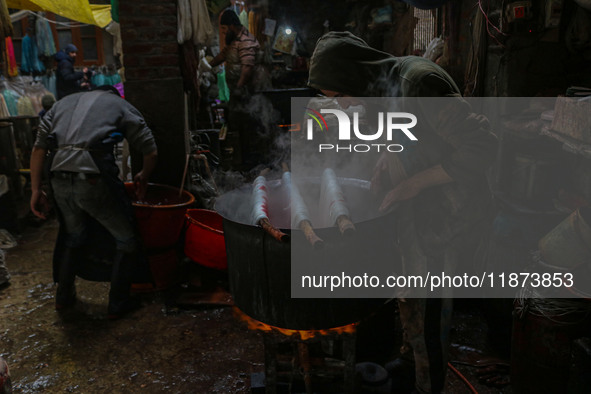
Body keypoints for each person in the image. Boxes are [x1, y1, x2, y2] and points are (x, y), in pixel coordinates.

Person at [308, 31, 498, 393]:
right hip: (421, 206)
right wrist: (388, 159)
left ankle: (428, 383)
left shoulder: (420, 84)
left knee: (427, 305)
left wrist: (415, 183)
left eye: (340, 96)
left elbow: (482, 146)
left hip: (449, 210)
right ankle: (411, 362)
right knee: (408, 289)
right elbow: (416, 138)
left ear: (354, 76)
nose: (344, 106)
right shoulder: (382, 89)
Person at [29, 85, 158, 319]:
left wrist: (36, 189)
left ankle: (63, 298)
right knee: (126, 239)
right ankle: (118, 302)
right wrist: (144, 176)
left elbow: (39, 148)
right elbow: (151, 151)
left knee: (74, 236)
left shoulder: (61, 103)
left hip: (57, 178)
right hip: (91, 179)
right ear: (112, 94)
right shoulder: (121, 104)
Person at [209, 9, 271, 168]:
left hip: (247, 94)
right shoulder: (234, 42)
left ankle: (254, 163)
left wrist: (239, 87)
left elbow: (247, 67)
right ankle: (243, 160)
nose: (223, 33)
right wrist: (206, 65)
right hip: (238, 93)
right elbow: (224, 55)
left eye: (224, 29)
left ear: (231, 26)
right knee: (238, 126)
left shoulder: (246, 41)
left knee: (250, 126)